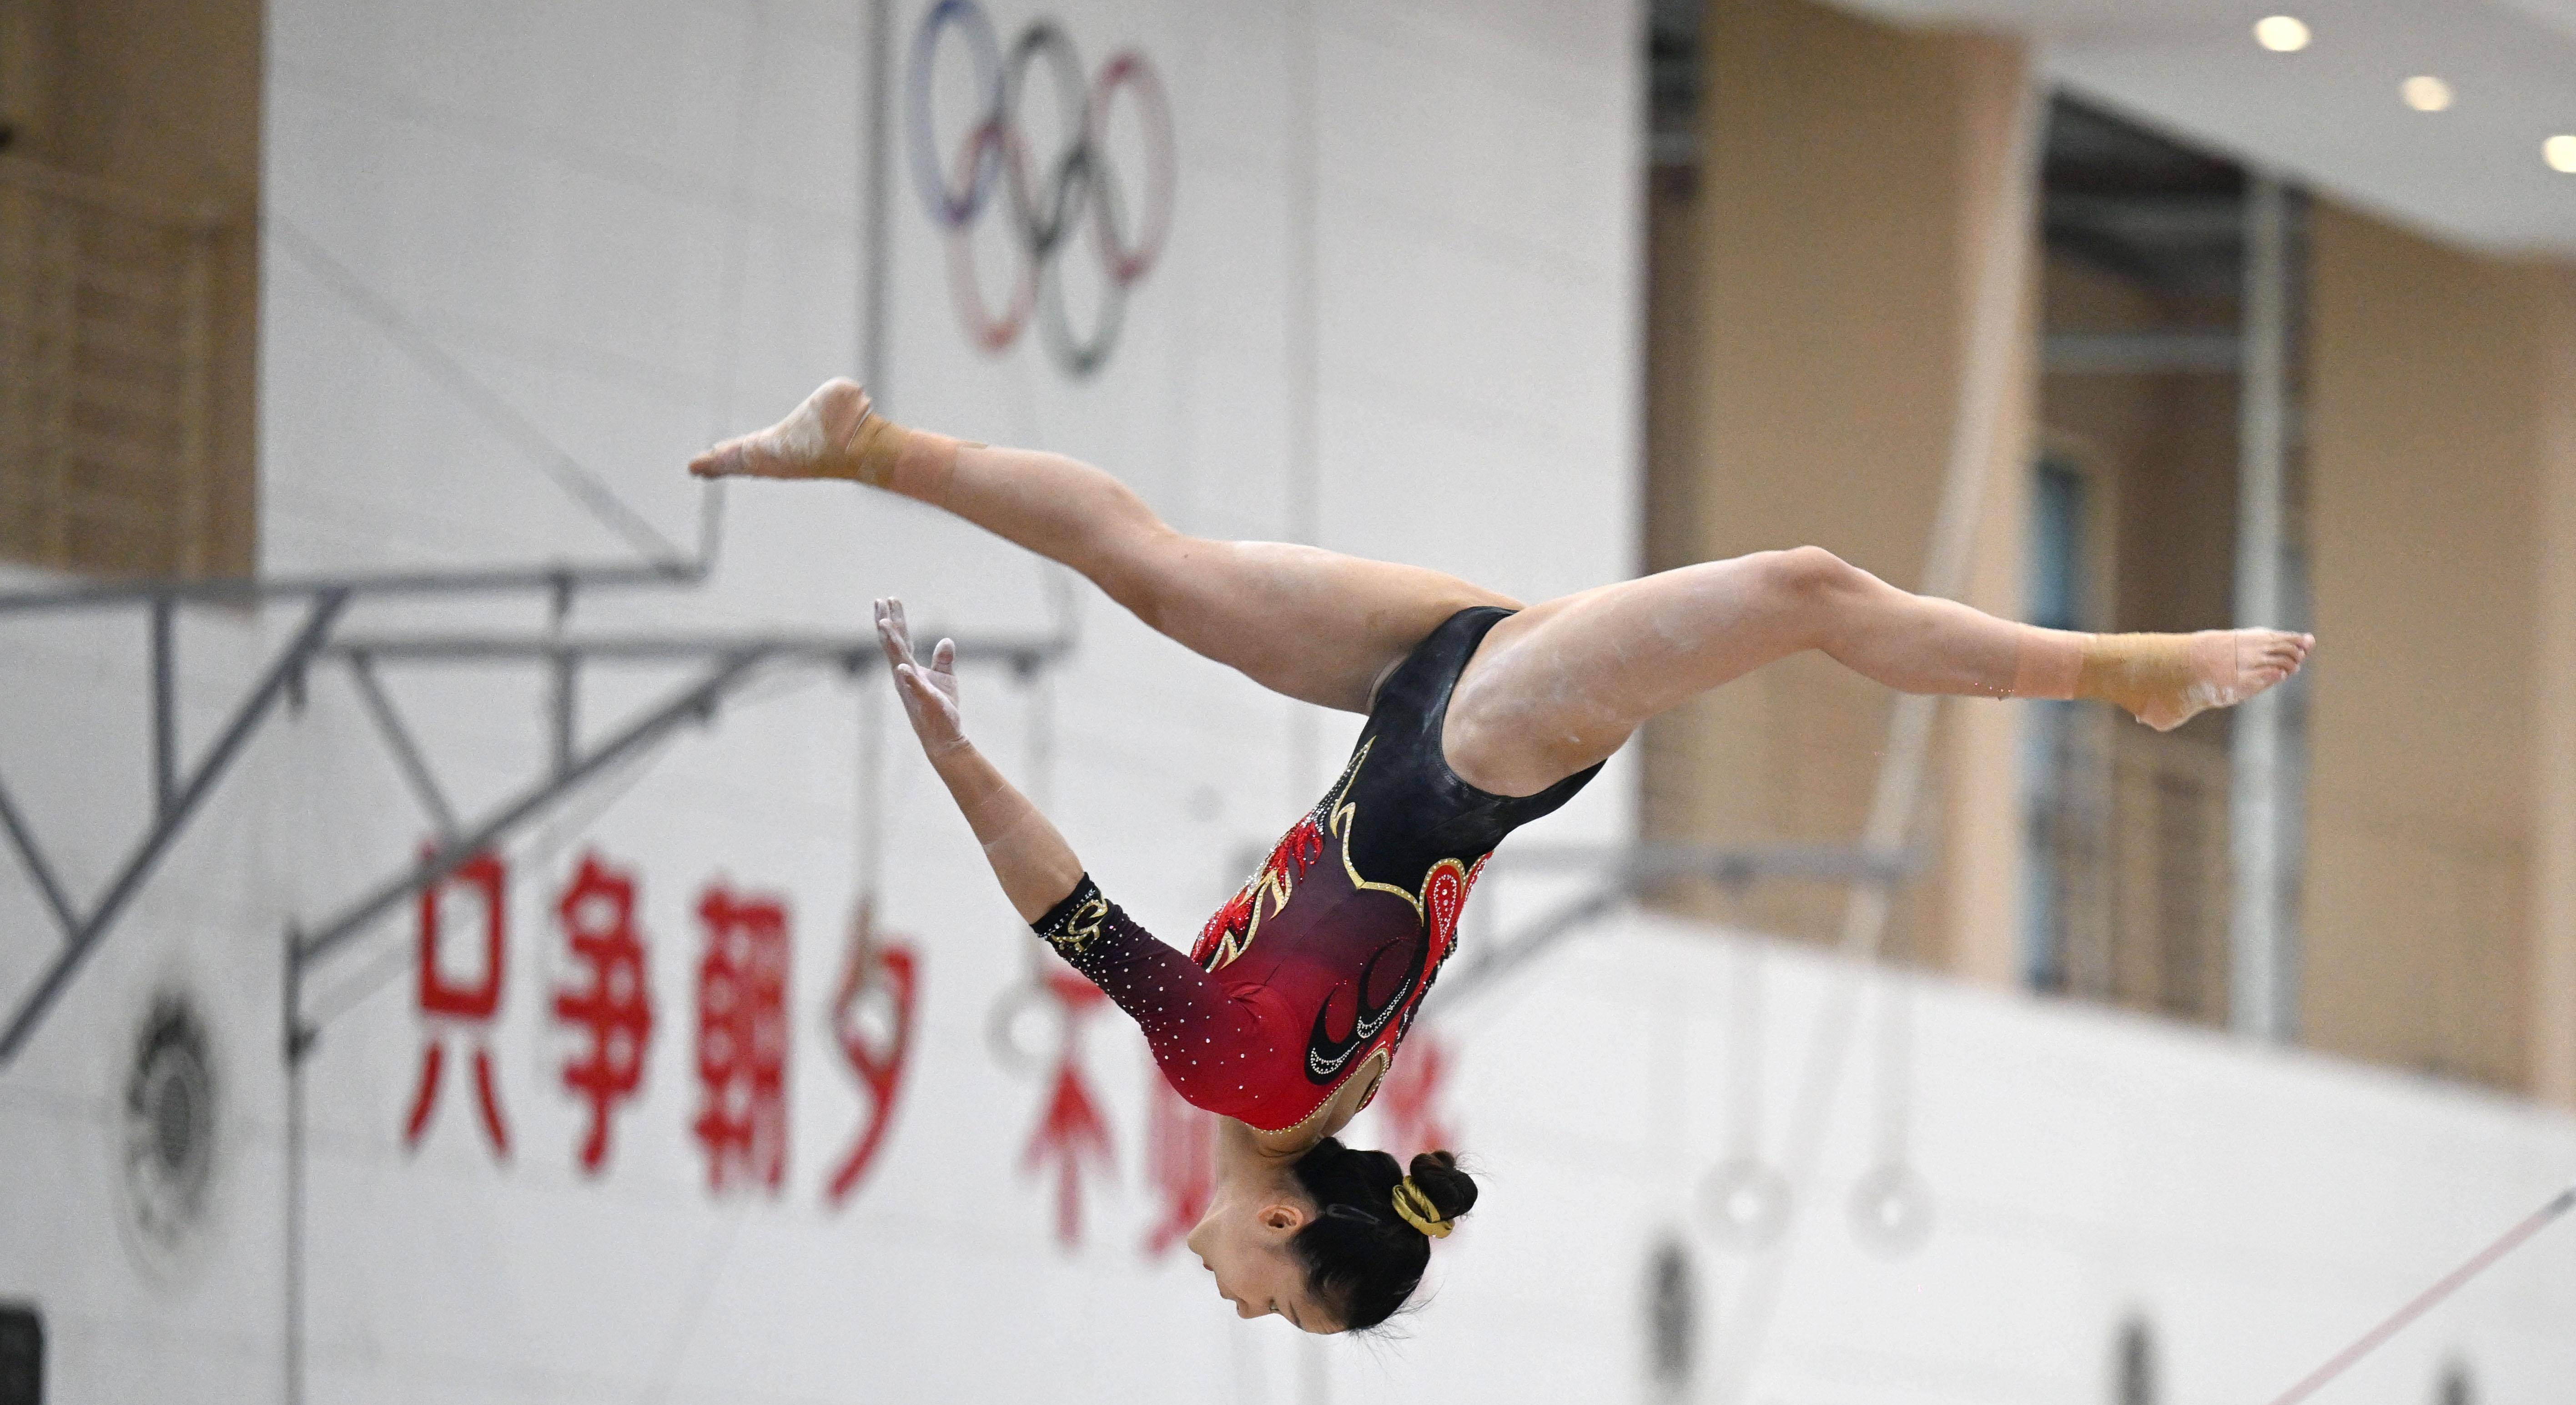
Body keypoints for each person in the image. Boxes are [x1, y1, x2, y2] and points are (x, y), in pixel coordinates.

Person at [692, 383, 2310, 1335]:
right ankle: (2120, 669)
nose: (1239, 1302)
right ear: (1277, 1228)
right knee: (1807, 588)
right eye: (1277, 1305)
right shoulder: (1248, 1090)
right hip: (1480, 736)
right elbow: (1070, 909)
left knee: (1158, 571)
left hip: (1418, 704)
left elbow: (1092, 921)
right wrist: (955, 751)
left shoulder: (1317, 1102)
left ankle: (869, 443)